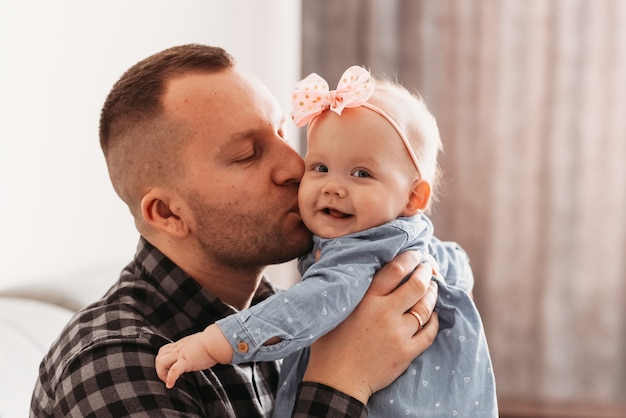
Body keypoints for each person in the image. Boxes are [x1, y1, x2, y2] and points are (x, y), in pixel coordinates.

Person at [30, 45, 440, 417]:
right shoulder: (117, 363)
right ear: (169, 213)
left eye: (283, 132)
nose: (295, 167)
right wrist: (343, 379)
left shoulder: (286, 314)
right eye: (247, 155)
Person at [155, 66, 498, 417]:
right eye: (319, 167)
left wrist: (215, 342)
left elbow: (305, 307)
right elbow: (456, 261)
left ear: (413, 198)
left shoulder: (360, 253)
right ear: (166, 212)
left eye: (361, 173)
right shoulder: (413, 244)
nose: (330, 185)